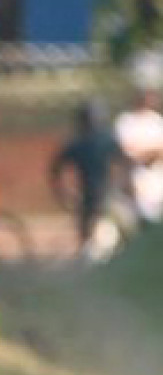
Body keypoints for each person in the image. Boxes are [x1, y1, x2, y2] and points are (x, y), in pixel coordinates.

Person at [50, 99, 128, 258]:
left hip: (92, 197)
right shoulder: (106, 139)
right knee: (108, 237)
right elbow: (125, 163)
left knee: (92, 238)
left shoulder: (78, 142)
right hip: (104, 195)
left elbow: (56, 169)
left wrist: (63, 194)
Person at [112, 84, 163, 228]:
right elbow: (128, 153)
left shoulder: (158, 121)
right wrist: (156, 152)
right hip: (139, 187)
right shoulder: (126, 122)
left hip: (161, 185)